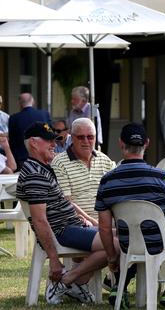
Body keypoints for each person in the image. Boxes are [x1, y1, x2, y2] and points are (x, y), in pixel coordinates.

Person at [96, 123, 165, 309]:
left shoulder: (107, 181)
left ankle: (118, 289)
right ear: (147, 143)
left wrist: (112, 258)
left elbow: (104, 228)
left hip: (128, 244)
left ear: (121, 144)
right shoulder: (162, 177)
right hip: (162, 242)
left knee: (135, 241)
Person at [16, 121, 118, 305]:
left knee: (122, 238)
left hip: (72, 226)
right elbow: (40, 221)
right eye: (48, 141)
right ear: (33, 143)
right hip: (63, 231)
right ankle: (67, 281)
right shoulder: (34, 174)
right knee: (116, 244)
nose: (54, 145)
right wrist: (54, 260)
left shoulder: (41, 168)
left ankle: (72, 283)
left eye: (53, 140)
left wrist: (83, 220)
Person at [51, 118, 115, 223]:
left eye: (90, 137)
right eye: (80, 137)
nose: (85, 141)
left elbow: (114, 195)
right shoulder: (59, 163)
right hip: (78, 222)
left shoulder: (105, 161)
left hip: (107, 222)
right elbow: (66, 203)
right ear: (72, 137)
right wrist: (94, 223)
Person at [8, 93, 51, 168]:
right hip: (43, 157)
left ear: (20, 103)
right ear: (32, 101)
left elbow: (12, 141)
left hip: (22, 158)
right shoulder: (44, 114)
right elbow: (50, 134)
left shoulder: (14, 118)